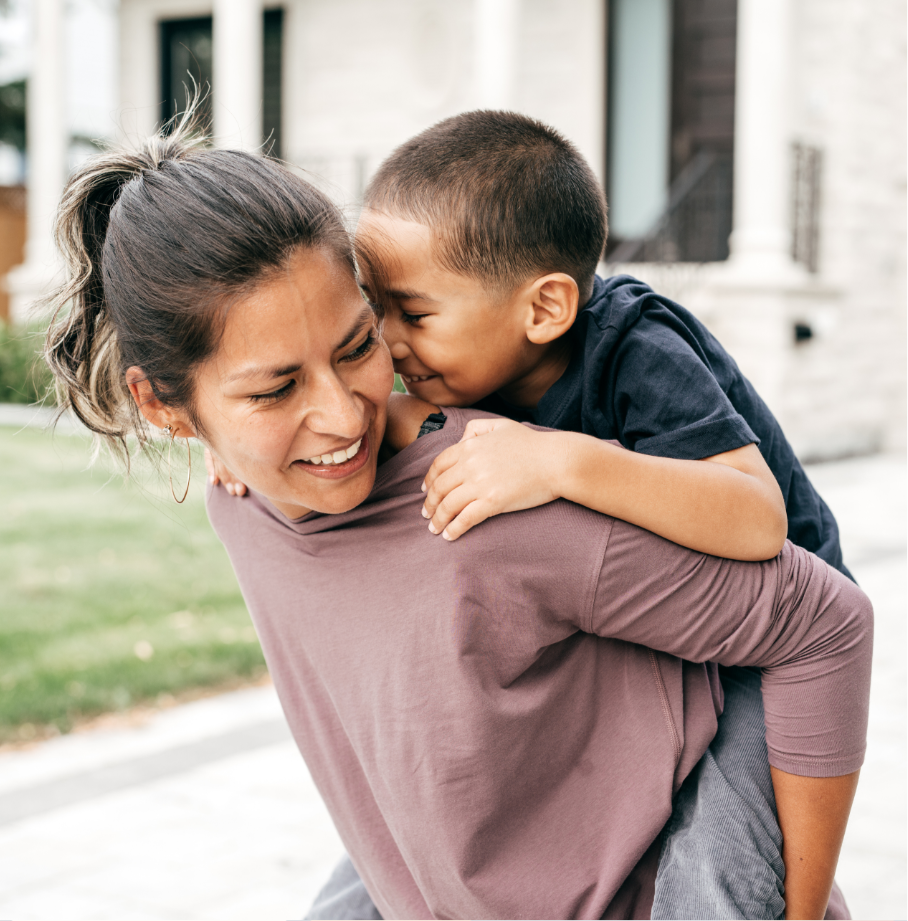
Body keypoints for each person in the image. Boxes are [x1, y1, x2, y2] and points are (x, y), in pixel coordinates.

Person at [44, 119, 870, 921]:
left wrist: (560, 460)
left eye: (359, 343)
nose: (348, 412)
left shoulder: (585, 399)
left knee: (719, 881)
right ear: (169, 408)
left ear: (542, 309)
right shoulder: (251, 491)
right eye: (273, 389)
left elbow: (783, 559)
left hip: (764, 621)